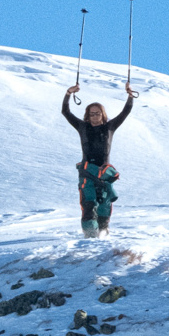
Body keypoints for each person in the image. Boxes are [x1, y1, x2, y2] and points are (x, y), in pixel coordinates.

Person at [61, 84, 133, 238]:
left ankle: (103, 233)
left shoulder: (109, 127)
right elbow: (65, 112)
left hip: (105, 173)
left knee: (104, 205)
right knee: (89, 203)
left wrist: (130, 95)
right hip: (87, 171)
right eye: (91, 113)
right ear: (87, 115)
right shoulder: (82, 127)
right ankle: (90, 235)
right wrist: (68, 93)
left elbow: (125, 112)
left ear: (102, 114)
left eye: (97, 113)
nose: (94, 116)